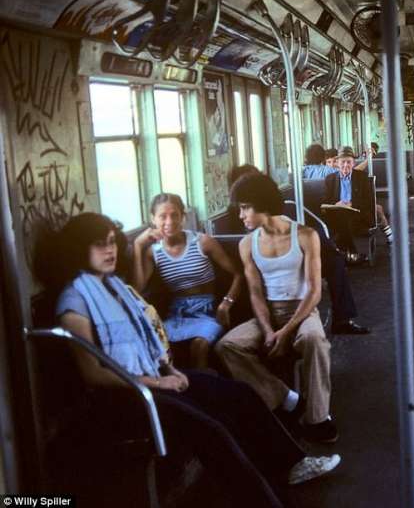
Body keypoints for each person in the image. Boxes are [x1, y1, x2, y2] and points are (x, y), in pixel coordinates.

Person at [48, 213, 340, 506]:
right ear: (78, 249)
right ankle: (262, 499)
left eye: (112, 243)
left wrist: (171, 370)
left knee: (239, 394)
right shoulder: (75, 303)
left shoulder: (113, 288)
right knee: (214, 427)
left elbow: (146, 342)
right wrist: (160, 380)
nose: (110, 251)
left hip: (153, 380)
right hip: (128, 399)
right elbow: (94, 374)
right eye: (100, 245)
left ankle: (292, 464)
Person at [216, 173, 339, 443]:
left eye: (245, 207)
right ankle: (285, 397)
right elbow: (256, 294)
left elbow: (314, 291)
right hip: (270, 312)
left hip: (302, 310)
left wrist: (286, 332)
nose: (241, 216)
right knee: (228, 345)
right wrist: (269, 329)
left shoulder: (306, 236)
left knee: (314, 339)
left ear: (262, 204)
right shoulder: (246, 244)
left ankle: (317, 418)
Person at [228, 165, 369, 335]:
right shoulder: (240, 214)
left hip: (294, 247)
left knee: (335, 260)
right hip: (266, 257)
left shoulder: (282, 207)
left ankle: (342, 318)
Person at [132, 194, 243, 368]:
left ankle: (205, 390)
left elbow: (238, 274)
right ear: (153, 219)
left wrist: (226, 303)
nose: (169, 221)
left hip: (208, 310)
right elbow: (136, 289)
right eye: (162, 216)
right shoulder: (152, 252)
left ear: (183, 217)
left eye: (175, 215)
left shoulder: (203, 242)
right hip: (177, 314)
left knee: (199, 346)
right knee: (157, 346)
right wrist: (138, 245)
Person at [322, 148, 393, 256]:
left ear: (354, 163)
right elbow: (326, 200)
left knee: (345, 220)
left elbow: (369, 201)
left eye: (349, 162)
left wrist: (352, 204)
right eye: (342, 162)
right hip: (337, 214)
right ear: (337, 163)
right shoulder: (330, 179)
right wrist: (336, 204)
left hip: (359, 214)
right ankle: (351, 253)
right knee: (341, 219)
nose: (345, 165)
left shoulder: (362, 178)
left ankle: (346, 252)